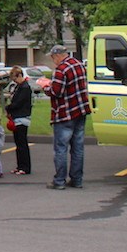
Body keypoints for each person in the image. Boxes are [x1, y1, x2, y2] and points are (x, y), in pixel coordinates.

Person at [46, 44, 91, 190]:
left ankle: (59, 181)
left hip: (65, 113)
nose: (53, 61)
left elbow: (56, 92)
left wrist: (46, 87)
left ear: (57, 56)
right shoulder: (79, 65)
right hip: (80, 110)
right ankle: (77, 180)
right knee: (78, 148)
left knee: (61, 148)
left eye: (53, 58)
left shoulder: (61, 70)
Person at [4, 65, 33, 175]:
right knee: (18, 143)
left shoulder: (25, 88)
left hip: (22, 117)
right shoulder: (20, 87)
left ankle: (25, 167)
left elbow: (18, 103)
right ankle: (20, 165)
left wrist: (8, 107)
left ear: (20, 75)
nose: (15, 81)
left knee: (22, 144)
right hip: (18, 117)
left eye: (15, 79)